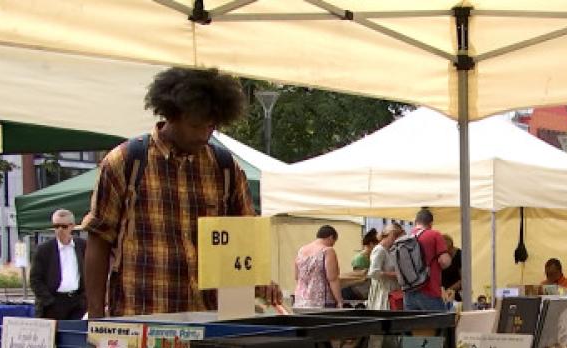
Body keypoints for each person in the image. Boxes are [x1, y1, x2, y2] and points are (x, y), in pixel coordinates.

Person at [83, 66, 274, 317]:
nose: (204, 135)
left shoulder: (226, 168)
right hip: (142, 317)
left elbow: (243, 242)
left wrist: (261, 281)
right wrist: (96, 317)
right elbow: (99, 239)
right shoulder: (125, 161)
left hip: (209, 320)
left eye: (211, 127)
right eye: (195, 126)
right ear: (172, 114)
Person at [29, 209, 86, 319]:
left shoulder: (82, 246)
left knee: (76, 329)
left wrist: (84, 298)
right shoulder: (44, 249)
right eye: (56, 226)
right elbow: (35, 279)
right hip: (53, 302)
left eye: (64, 226)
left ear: (72, 226)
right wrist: (49, 301)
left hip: (77, 302)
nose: (60, 230)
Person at [404, 209, 451, 311]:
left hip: (409, 293)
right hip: (430, 291)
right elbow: (444, 261)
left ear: (416, 222)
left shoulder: (406, 237)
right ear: (430, 223)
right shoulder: (434, 235)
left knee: (414, 322)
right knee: (441, 321)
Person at [294, 225, 344, 309]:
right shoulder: (328, 251)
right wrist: (339, 300)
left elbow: (297, 276)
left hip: (301, 300)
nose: (333, 245)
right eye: (334, 241)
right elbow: (333, 279)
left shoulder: (301, 250)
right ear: (331, 237)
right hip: (321, 301)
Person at [367, 223, 403, 310]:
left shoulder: (390, 250)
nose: (396, 239)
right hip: (383, 292)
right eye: (395, 236)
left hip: (392, 291)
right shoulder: (379, 250)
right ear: (390, 235)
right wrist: (394, 274)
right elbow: (373, 272)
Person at [441, 234, 463, 303]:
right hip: (443, 294)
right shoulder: (442, 255)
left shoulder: (460, 255)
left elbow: (463, 280)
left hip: (455, 295)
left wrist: (448, 290)